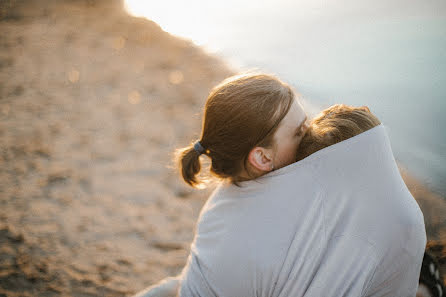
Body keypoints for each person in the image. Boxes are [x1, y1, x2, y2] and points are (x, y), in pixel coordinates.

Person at [133, 74, 427, 297]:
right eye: (299, 131)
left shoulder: (222, 204)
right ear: (262, 157)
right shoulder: (273, 225)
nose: (312, 134)